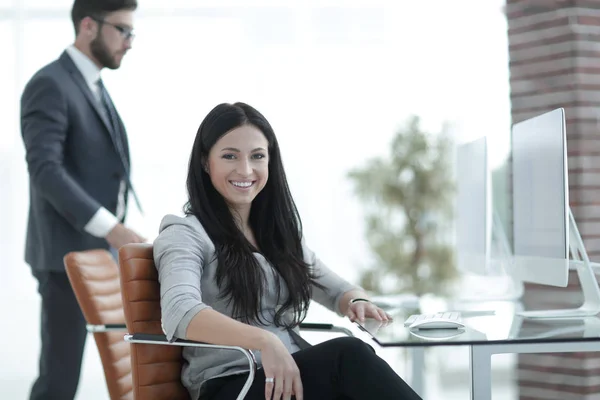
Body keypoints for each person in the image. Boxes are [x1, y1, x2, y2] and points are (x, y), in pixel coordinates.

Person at [153, 102, 422, 400]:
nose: (245, 169)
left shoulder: (277, 235)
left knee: (354, 368)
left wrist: (356, 300)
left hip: (287, 377)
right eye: (230, 156)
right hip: (232, 385)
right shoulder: (185, 233)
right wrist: (264, 341)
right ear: (206, 162)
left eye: (257, 156)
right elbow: (179, 312)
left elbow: (335, 290)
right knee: (349, 356)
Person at [20, 1, 145, 399]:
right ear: (89, 25)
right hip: (65, 256)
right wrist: (113, 228)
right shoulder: (51, 83)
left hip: (94, 252)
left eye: (132, 32)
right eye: (122, 30)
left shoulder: (91, 82)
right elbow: (45, 171)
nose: (129, 42)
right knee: (59, 378)